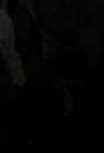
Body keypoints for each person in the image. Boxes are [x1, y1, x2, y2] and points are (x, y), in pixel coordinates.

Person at [24, 19, 97, 151]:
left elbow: (26, 124)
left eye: (45, 40)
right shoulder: (93, 78)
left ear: (56, 47)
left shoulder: (38, 80)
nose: (42, 44)